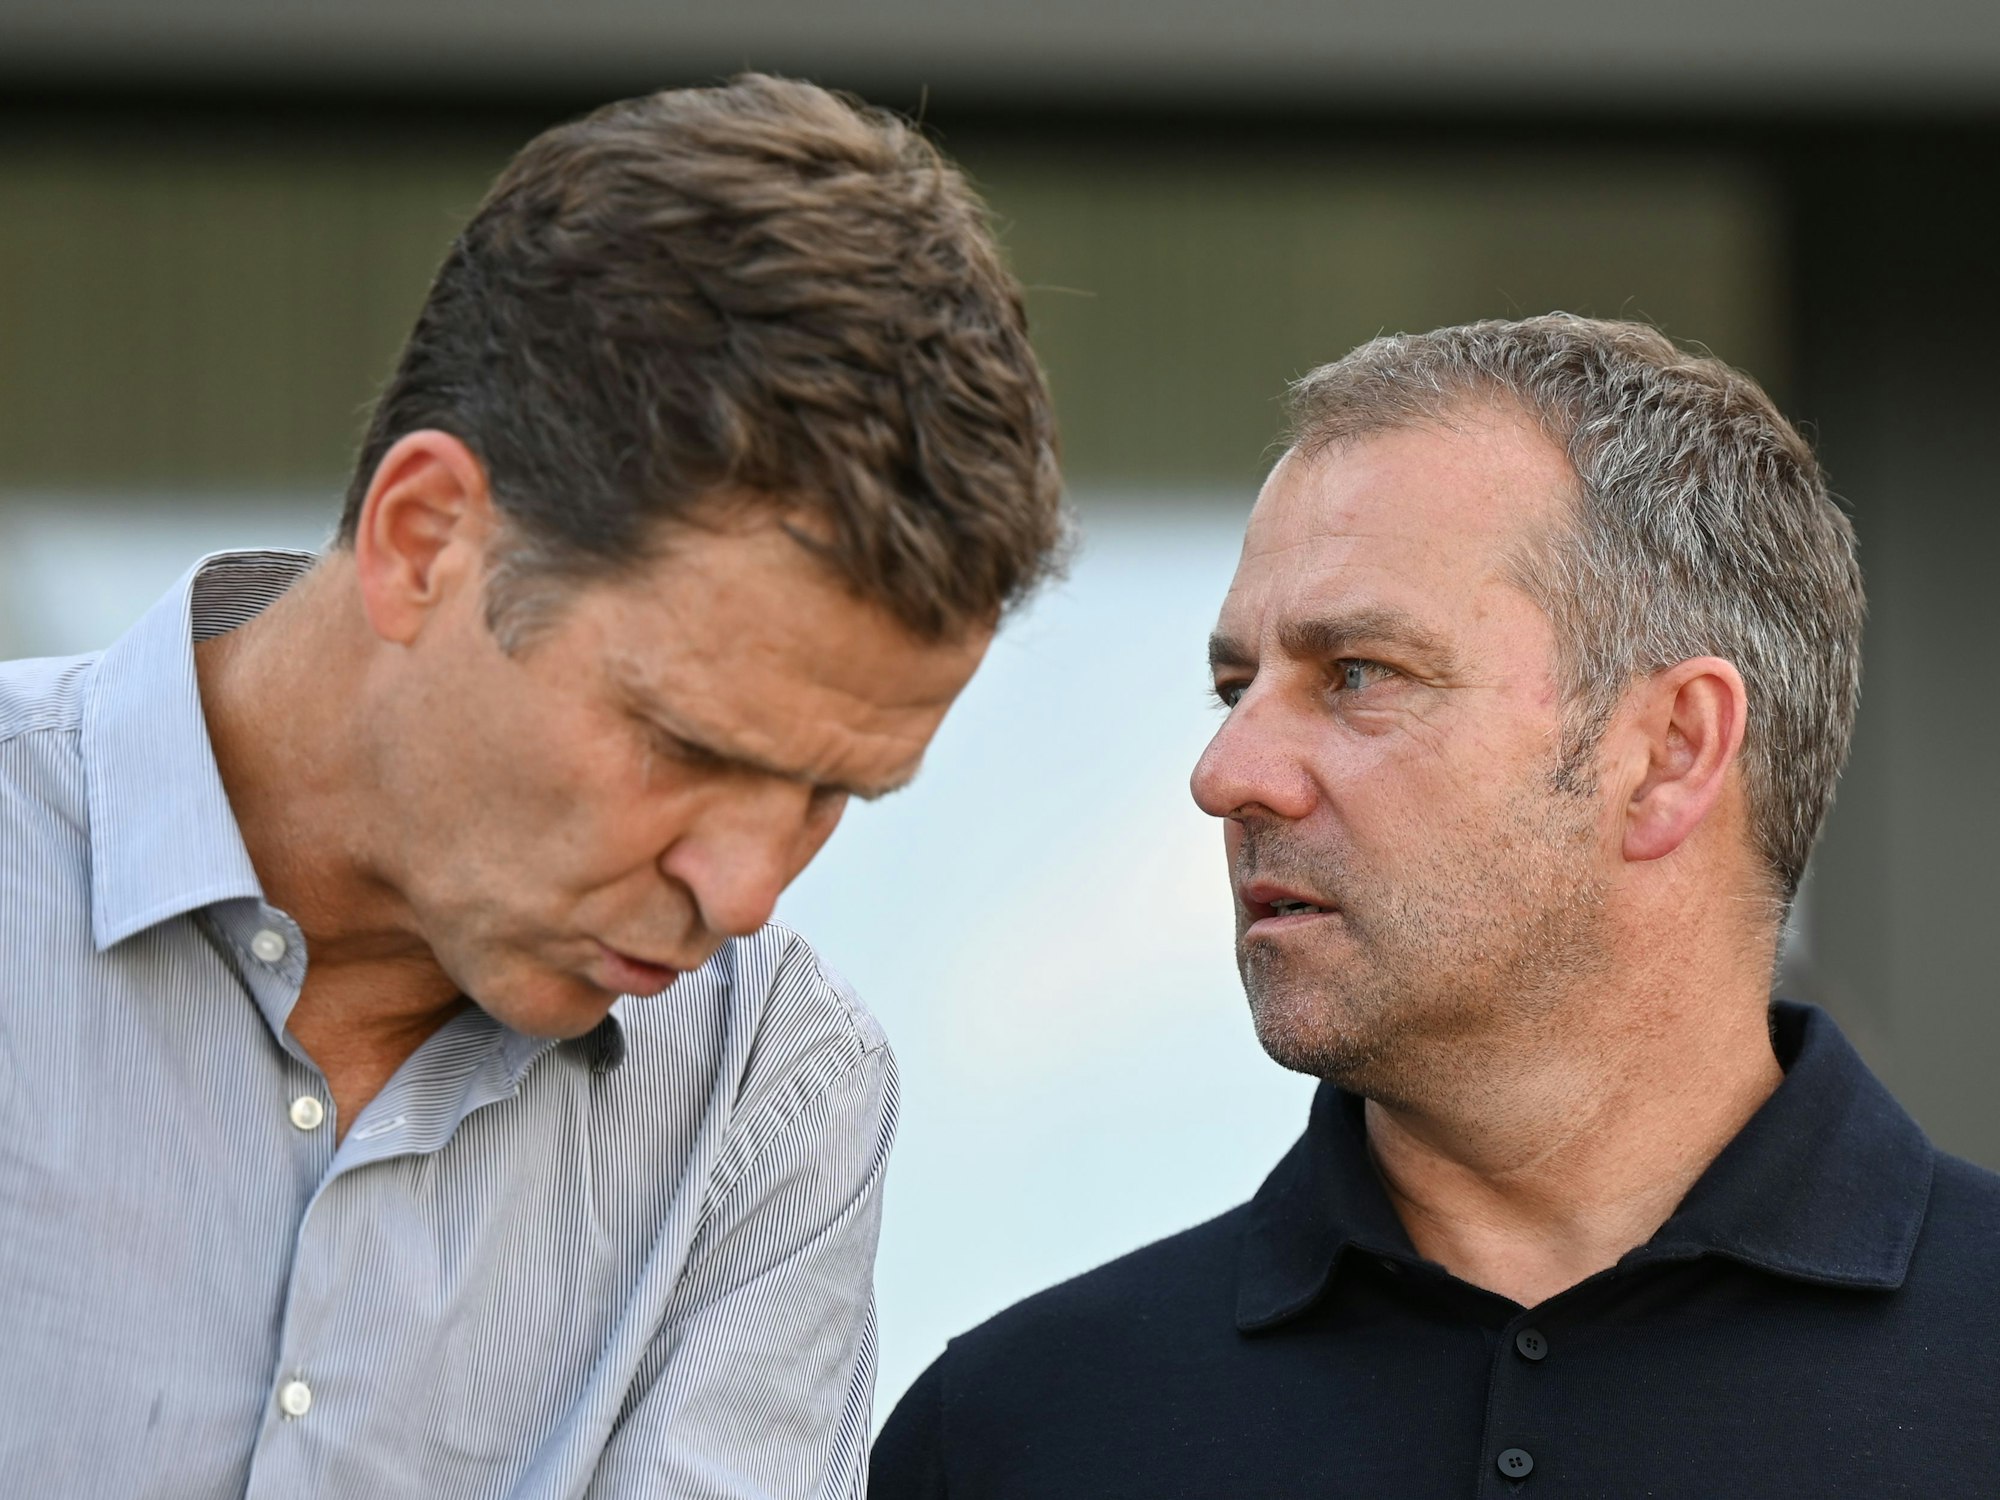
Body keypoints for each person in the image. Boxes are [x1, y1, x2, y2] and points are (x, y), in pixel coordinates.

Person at [0, 75, 1062, 1499]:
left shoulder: (772, 1081)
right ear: (425, 538)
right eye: (690, 746)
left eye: (834, 795)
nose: (746, 895)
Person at [870, 315, 2000, 1496]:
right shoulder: (1020, 1434)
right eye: (1232, 687)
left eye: (1356, 675)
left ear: (1669, 751)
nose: (1225, 775)